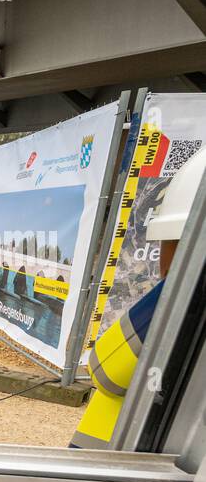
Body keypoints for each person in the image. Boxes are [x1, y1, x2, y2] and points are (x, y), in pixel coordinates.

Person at [71, 146, 205, 448]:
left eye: (167, 242)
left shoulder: (188, 292)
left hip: (117, 475)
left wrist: (176, 286)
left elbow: (107, 370)